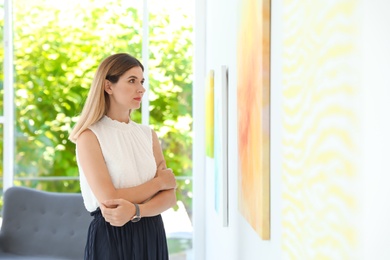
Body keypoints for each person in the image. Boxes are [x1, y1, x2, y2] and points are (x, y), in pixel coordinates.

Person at [69, 53, 177, 260]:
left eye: (142, 81)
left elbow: (169, 196)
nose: (141, 88)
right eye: (132, 81)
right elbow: (109, 198)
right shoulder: (89, 136)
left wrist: (136, 211)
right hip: (112, 234)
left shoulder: (148, 135)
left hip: (152, 231)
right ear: (109, 86)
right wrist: (158, 183)